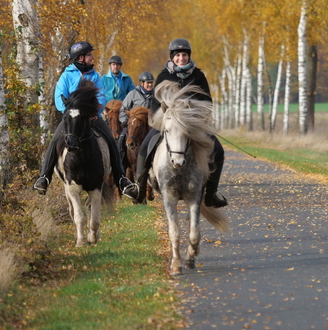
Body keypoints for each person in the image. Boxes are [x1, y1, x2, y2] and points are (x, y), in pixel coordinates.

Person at [127, 39, 228, 208]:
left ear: (189, 56)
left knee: (218, 151)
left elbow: (207, 102)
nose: (181, 58)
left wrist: (197, 116)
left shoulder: (198, 76)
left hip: (192, 125)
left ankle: (211, 194)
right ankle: (139, 188)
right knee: (145, 147)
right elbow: (154, 103)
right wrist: (164, 115)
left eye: (184, 55)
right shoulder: (163, 76)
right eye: (178, 55)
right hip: (168, 124)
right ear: (172, 57)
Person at [33, 41, 136, 197]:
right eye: (89, 55)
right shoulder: (66, 75)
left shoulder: (94, 75)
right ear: (81, 57)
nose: (92, 57)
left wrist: (95, 111)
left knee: (110, 138)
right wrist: (69, 112)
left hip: (91, 117)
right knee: (55, 141)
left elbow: (102, 96)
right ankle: (44, 177)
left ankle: (122, 179)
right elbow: (59, 98)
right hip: (72, 118)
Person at [117, 72, 155, 165]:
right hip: (133, 125)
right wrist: (124, 120)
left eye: (151, 82)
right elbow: (123, 109)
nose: (150, 85)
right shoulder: (132, 94)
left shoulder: (156, 94)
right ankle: (121, 162)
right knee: (121, 138)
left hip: (150, 125)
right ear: (141, 83)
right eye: (148, 83)